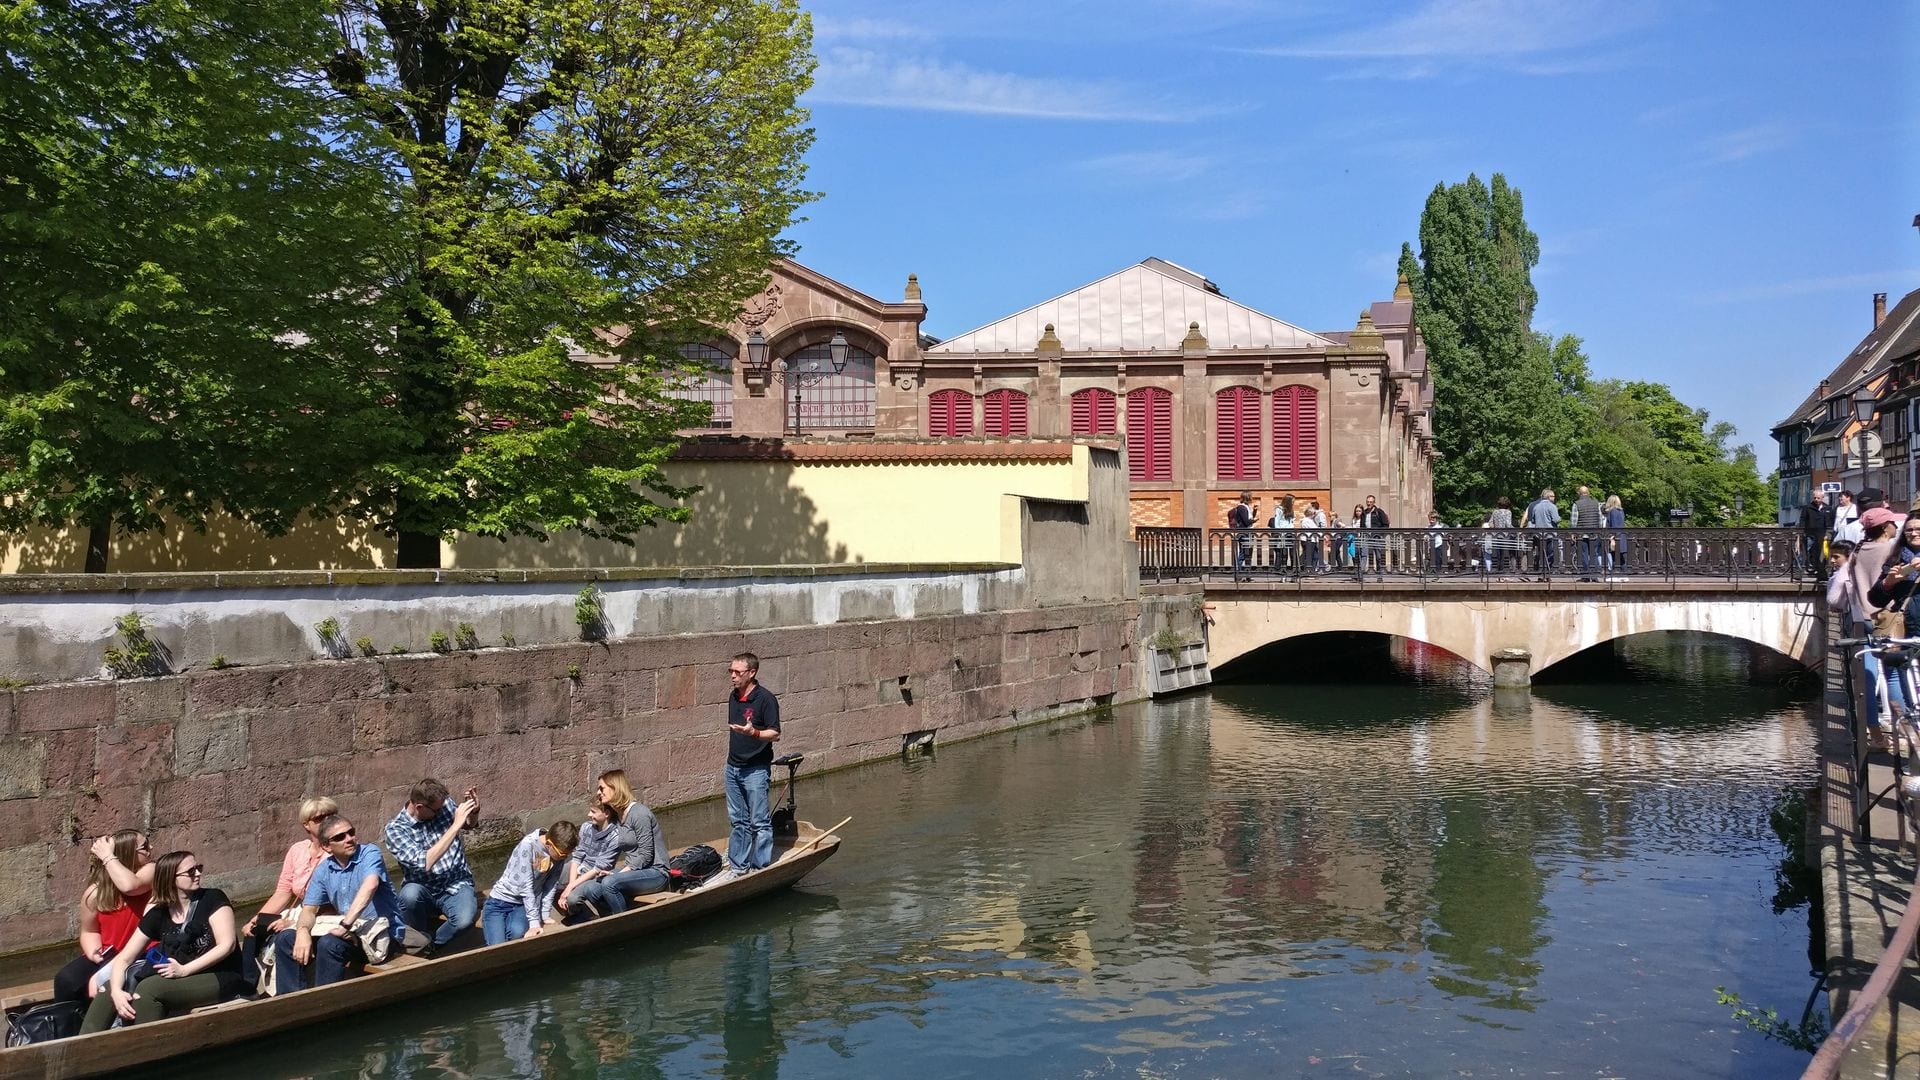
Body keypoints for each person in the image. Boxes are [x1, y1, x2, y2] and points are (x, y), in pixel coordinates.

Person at [80, 851, 242, 1032]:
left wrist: (184, 970)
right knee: (109, 987)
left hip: (220, 975)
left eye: (198, 868)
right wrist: (117, 992)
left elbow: (227, 946)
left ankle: (145, 1048)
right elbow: (124, 958)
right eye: (190, 871)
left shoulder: (213, 898)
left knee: (150, 989)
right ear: (171, 879)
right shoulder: (159, 912)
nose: (198, 874)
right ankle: (82, 1048)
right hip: (177, 976)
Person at [274, 814, 405, 993]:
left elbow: (370, 885)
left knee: (330, 944)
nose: (349, 839)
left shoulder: (370, 853)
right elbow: (309, 909)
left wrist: (345, 925)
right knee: (286, 938)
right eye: (340, 837)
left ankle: (324, 1002)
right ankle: (290, 1002)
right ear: (327, 846)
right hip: (350, 932)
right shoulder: (323, 870)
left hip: (381, 935)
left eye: (351, 832)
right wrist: (302, 932)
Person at [240, 796, 336, 987]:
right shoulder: (297, 850)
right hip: (302, 911)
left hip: (326, 914)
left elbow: (336, 902)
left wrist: (292, 922)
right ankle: (248, 988)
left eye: (330, 815)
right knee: (252, 931)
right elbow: (283, 892)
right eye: (318, 818)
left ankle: (292, 994)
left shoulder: (338, 853)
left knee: (286, 935)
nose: (326, 821)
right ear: (306, 825)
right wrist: (257, 918)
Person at [52, 831, 154, 1004]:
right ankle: (68, 1023)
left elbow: (130, 886)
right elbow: (89, 931)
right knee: (67, 979)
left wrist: (106, 855)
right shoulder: (95, 894)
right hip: (110, 954)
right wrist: (94, 953)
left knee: (106, 981)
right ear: (127, 853)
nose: (151, 848)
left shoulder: (152, 870)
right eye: (144, 846)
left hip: (144, 952)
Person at [385, 778, 480, 958]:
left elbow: (469, 824)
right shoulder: (396, 829)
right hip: (423, 886)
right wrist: (455, 826)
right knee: (409, 895)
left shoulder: (442, 805)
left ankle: (429, 946)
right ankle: (415, 940)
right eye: (436, 810)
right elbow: (425, 863)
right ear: (419, 807)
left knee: (464, 920)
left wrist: (473, 811)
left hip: (456, 883)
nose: (441, 811)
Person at [711, 652, 781, 887]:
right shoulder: (733, 696)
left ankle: (760, 867)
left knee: (759, 821)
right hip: (733, 767)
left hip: (755, 770)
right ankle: (739, 866)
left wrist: (754, 733)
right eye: (730, 671)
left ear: (752, 673)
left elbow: (776, 734)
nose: (732, 676)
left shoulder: (766, 700)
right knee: (737, 820)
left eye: (737, 672)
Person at [562, 771, 670, 920]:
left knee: (609, 883)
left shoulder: (639, 813)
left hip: (656, 873)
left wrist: (619, 874)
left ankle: (623, 922)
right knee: (591, 887)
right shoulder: (618, 816)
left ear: (615, 788)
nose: (598, 792)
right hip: (634, 872)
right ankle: (609, 917)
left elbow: (646, 855)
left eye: (602, 788)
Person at [1850, 507, 1908, 749]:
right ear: (1885, 528)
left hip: (1860, 616)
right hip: (1886, 617)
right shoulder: (1889, 551)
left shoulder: (1857, 550)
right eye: (1892, 523)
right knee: (1893, 674)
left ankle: (1874, 734)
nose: (1896, 526)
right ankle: (1904, 732)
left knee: (1868, 678)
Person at [482, 820, 579, 945]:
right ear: (549, 844)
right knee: (497, 946)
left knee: (516, 933)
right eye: (562, 854)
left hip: (522, 905)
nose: (564, 858)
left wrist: (544, 914)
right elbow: (526, 886)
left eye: (567, 855)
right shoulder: (528, 845)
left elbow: (551, 883)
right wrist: (534, 923)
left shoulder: (558, 854)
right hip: (499, 902)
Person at [1524, 489, 1562, 579]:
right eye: (1553, 496)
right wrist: (1560, 518)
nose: (1554, 498)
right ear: (1549, 497)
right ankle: (1547, 573)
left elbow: (1532, 520)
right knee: (1550, 554)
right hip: (1550, 534)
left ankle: (1541, 573)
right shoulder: (1552, 506)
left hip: (1539, 534)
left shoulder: (1536, 507)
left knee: (1541, 554)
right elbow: (1556, 519)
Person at [1570, 485, 1604, 580]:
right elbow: (1600, 518)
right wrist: (1600, 530)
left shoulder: (1576, 504)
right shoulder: (1596, 503)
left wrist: (1573, 533)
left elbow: (1574, 521)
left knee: (1583, 554)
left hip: (1582, 534)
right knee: (1594, 554)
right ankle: (1594, 575)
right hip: (1594, 533)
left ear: (1579, 493)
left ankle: (1585, 575)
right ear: (1588, 493)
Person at [1801, 489, 1834, 579]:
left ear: (1822, 498)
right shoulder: (1808, 507)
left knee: (1823, 552)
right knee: (1809, 550)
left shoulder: (1827, 508)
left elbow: (1830, 522)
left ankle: (1821, 569)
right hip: (1810, 533)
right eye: (1815, 497)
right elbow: (1803, 520)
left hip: (1822, 534)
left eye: (1818, 498)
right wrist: (1802, 531)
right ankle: (1808, 567)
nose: (1816, 499)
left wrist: (1828, 532)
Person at [1356, 496, 1390, 579]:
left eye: (1371, 502)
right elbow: (1362, 525)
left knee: (1378, 556)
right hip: (1366, 537)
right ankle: (1361, 575)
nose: (1369, 503)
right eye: (1367, 502)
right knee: (1364, 555)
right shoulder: (1364, 512)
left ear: (1374, 502)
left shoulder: (1379, 512)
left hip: (1376, 537)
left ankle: (1379, 575)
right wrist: (1361, 534)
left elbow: (1385, 524)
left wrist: (1381, 534)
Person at [1226, 492, 1256, 581]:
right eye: (1251, 497)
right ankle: (1238, 574)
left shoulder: (1246, 507)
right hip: (1244, 533)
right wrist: (1254, 521)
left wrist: (1254, 511)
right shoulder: (1241, 507)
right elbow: (1246, 522)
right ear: (1247, 498)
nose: (1252, 498)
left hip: (1248, 533)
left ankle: (1248, 575)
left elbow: (1248, 519)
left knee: (1249, 554)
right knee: (1243, 554)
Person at [1484, 496, 1517, 577]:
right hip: (1506, 535)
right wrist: (1516, 530)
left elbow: (1490, 523)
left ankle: (1498, 568)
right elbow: (1508, 524)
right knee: (1509, 552)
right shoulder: (1508, 512)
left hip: (1496, 535)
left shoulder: (1495, 512)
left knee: (1498, 553)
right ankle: (1511, 569)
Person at [1268, 497, 1295, 578]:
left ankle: (1293, 570)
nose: (1293, 503)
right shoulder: (1279, 509)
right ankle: (1282, 570)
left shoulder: (1290, 509)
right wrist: (1280, 533)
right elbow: (1277, 522)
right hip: (1283, 533)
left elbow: (1290, 521)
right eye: (1292, 501)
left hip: (1291, 532)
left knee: (1292, 552)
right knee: (1284, 552)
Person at [1602, 494, 1629, 578]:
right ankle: (1623, 575)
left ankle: (1616, 576)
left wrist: (1612, 536)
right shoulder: (1621, 511)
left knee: (1615, 557)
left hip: (1616, 537)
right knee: (1622, 559)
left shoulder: (1612, 511)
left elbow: (1614, 525)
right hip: (1622, 536)